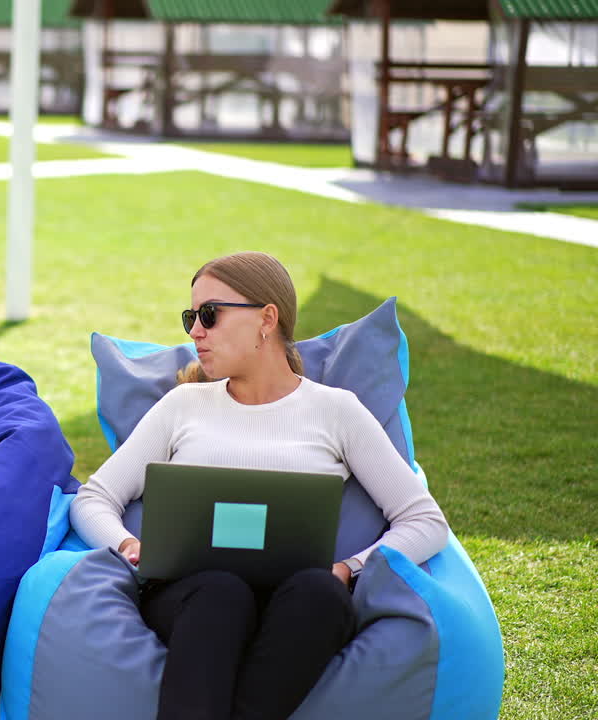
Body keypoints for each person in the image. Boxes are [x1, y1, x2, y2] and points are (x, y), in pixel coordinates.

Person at [69, 252, 449, 720]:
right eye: (191, 317)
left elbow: (424, 520)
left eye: (210, 314)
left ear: (267, 319)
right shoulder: (183, 406)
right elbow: (94, 498)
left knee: (321, 593)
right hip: (195, 598)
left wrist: (349, 568)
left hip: (297, 604)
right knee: (221, 593)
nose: (195, 332)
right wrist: (129, 545)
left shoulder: (338, 411)